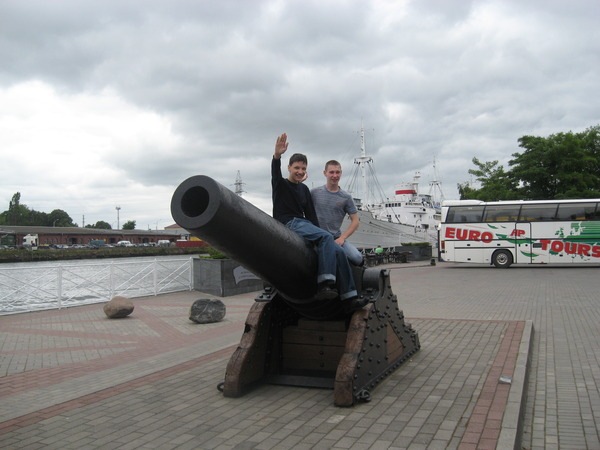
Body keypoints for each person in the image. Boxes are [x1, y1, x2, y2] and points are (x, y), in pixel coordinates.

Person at [271, 133, 362, 305]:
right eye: (296, 168)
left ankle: (350, 297)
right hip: (288, 222)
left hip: (303, 223)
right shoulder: (280, 184)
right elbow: (275, 173)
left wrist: (319, 235)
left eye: (303, 169)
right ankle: (325, 283)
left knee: (338, 251)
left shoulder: (304, 190)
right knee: (326, 237)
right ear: (289, 168)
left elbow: (311, 216)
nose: (300, 171)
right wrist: (277, 156)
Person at [310, 160, 364, 266]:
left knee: (357, 257)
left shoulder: (346, 197)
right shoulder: (314, 193)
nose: (335, 175)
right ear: (325, 173)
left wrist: (342, 238)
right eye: (331, 172)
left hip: (335, 238)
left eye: (337, 172)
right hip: (317, 236)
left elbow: (355, 221)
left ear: (341, 173)